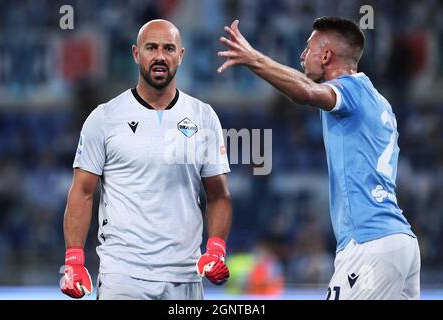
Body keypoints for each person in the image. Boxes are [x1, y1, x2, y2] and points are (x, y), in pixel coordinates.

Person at [217, 17, 420, 300]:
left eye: (308, 48)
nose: (302, 55)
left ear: (326, 56)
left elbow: (305, 92)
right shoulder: (379, 102)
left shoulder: (352, 90)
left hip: (368, 242)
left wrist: (254, 59)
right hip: (401, 241)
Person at [60, 19, 232, 300]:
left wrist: (216, 249)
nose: (160, 56)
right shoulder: (104, 118)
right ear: (136, 54)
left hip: (185, 274)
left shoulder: (204, 117)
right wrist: (74, 261)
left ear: (182, 55)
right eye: (151, 48)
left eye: (169, 48)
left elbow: (219, 194)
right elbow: (82, 192)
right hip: (123, 275)